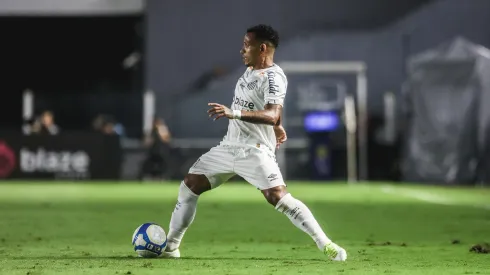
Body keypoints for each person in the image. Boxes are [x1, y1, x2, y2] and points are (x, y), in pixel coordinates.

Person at [162, 24, 347, 261]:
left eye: (246, 45)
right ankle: (170, 247)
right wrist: (278, 126)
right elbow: (269, 112)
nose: (242, 50)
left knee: (278, 197)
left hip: (254, 150)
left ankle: (327, 245)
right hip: (229, 146)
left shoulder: (274, 77)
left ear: (261, 48)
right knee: (189, 185)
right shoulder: (248, 72)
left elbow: (271, 112)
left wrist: (235, 114)